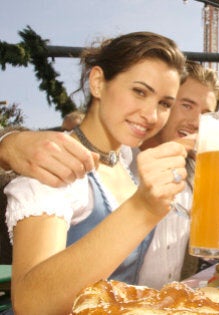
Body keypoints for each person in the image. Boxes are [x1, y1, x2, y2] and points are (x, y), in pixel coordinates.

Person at [4, 31, 188, 314]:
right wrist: (143, 208)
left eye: (164, 104)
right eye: (139, 91)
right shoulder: (54, 164)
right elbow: (32, 304)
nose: (151, 116)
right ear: (98, 82)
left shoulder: (126, 164)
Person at [131, 60, 219, 288]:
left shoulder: (195, 179)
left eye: (206, 114)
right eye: (187, 105)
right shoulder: (121, 162)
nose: (195, 122)